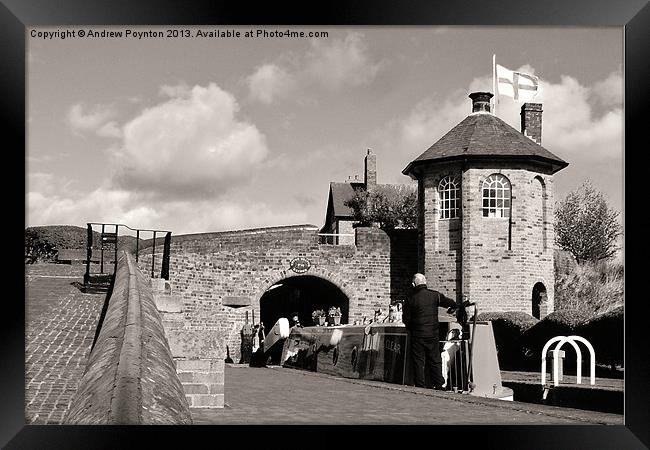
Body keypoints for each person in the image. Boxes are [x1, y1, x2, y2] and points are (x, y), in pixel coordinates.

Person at [402, 273, 457, 389]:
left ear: (413, 284)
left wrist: (412, 327)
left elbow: (406, 319)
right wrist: (454, 307)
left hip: (417, 334)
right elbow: (450, 303)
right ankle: (439, 383)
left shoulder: (410, 298)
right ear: (425, 282)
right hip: (432, 333)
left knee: (418, 361)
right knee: (434, 359)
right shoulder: (435, 295)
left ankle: (420, 385)